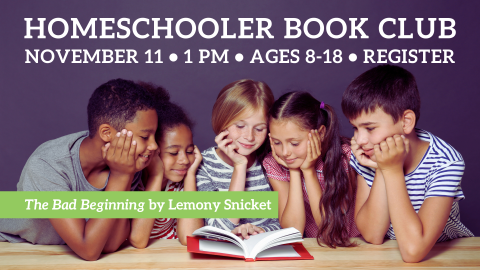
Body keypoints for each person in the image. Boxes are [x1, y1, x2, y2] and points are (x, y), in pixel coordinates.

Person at [0, 79, 162, 261]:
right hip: (12, 245)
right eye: (144, 136)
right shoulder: (47, 164)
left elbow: (110, 244)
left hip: (57, 253)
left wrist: (124, 175)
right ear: (107, 133)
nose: (154, 145)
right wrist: (121, 176)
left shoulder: (125, 165)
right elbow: (89, 250)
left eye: (154, 136)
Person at [342, 64, 474, 262]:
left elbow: (414, 251)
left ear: (406, 122)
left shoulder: (446, 161)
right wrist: (381, 169)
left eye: (369, 128)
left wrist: (392, 170)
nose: (360, 140)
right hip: (389, 254)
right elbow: (372, 235)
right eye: (355, 128)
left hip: (444, 255)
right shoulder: (368, 153)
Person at [263, 91, 360, 248]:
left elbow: (330, 229)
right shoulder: (274, 163)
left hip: (355, 245)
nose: (285, 152)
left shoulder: (344, 157)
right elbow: (293, 231)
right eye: (277, 142)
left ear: (320, 133)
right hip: (315, 248)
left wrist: (308, 172)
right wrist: (294, 172)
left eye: (294, 143)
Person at [196, 79, 281, 239]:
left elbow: (287, 222)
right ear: (222, 121)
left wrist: (259, 232)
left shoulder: (272, 161)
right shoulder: (203, 164)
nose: (249, 137)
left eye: (259, 128)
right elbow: (217, 230)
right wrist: (240, 166)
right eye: (240, 126)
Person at [128, 83, 203, 247]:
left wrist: (190, 176)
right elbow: (138, 240)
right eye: (174, 153)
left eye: (189, 151)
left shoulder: (180, 184)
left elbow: (190, 238)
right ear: (153, 150)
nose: (184, 160)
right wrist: (157, 175)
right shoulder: (133, 182)